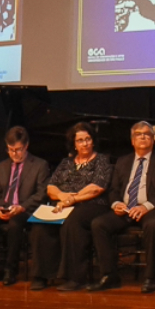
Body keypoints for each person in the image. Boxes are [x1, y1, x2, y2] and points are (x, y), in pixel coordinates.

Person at [89, 121, 155, 293]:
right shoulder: (123, 161)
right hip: (126, 209)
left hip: (154, 209)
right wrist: (116, 204)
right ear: (132, 140)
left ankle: (151, 277)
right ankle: (109, 275)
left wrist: (146, 206)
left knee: (152, 225)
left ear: (153, 140)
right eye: (138, 134)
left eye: (147, 134)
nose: (143, 137)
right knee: (98, 224)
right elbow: (113, 189)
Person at [35, 122, 113, 292]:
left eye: (88, 139)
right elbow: (51, 187)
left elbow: (96, 187)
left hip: (93, 205)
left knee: (73, 221)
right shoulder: (66, 163)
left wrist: (72, 199)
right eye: (80, 140)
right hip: (65, 203)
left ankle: (75, 277)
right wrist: (62, 197)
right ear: (74, 144)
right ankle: (43, 275)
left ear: (93, 141)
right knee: (41, 224)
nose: (84, 144)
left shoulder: (101, 160)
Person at [0, 126, 50, 286]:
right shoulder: (1, 166)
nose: (15, 154)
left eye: (18, 150)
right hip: (5, 208)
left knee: (15, 224)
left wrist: (22, 207)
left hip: (25, 210)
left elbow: (41, 194)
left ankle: (11, 269)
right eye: (10, 150)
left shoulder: (39, 165)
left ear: (26, 145)